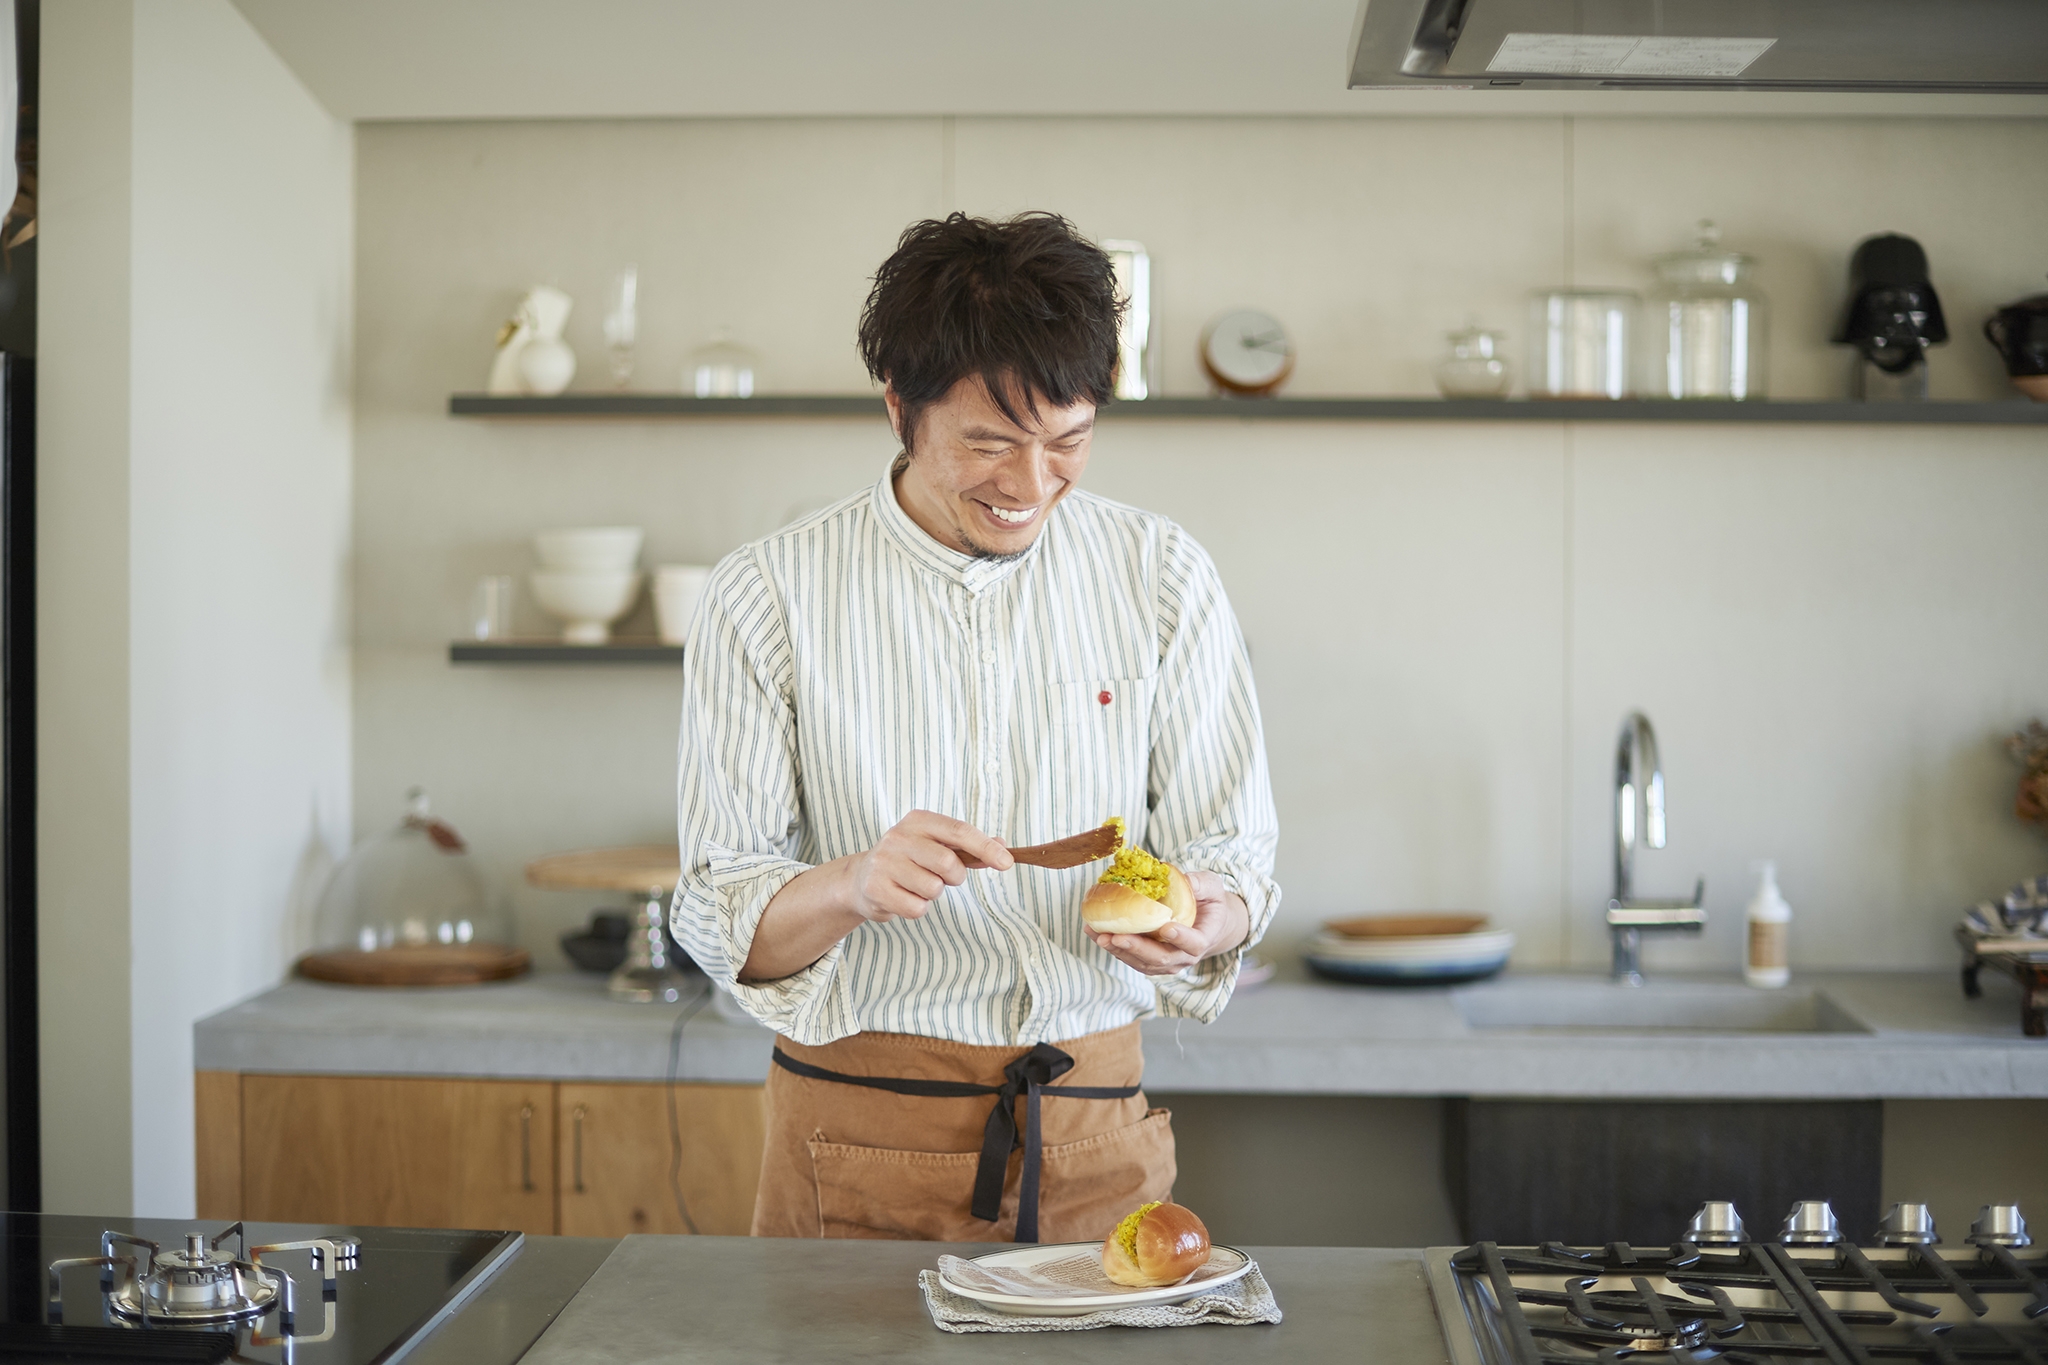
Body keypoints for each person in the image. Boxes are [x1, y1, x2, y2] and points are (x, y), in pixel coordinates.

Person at [670, 211, 1278, 1243]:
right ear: (898, 406)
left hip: (1096, 1141)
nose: (1028, 486)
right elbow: (719, 915)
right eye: (988, 443)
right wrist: (851, 884)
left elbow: (1234, 854)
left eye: (1067, 442)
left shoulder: (1159, 575)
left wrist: (1203, 917)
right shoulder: (764, 594)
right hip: (855, 1152)